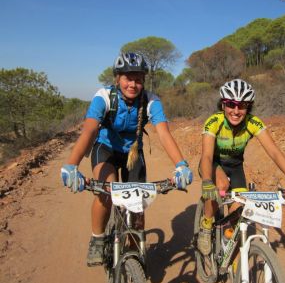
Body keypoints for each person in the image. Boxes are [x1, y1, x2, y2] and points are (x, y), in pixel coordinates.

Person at [60, 51, 193, 266]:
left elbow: (164, 133)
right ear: (117, 79)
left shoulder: (151, 101)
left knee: (137, 201)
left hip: (133, 152)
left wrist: (181, 165)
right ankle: (97, 239)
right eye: (127, 78)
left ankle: (133, 247)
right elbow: (89, 131)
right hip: (106, 148)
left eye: (138, 79)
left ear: (144, 81)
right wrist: (71, 166)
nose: (133, 84)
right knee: (106, 192)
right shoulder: (104, 96)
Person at [197, 78, 285, 255]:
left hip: (235, 166)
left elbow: (274, 152)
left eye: (242, 105)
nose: (236, 110)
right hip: (213, 163)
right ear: (223, 105)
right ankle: (206, 225)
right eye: (231, 104)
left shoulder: (253, 123)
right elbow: (207, 155)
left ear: (249, 107)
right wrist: (208, 181)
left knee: (239, 207)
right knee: (221, 186)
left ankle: (228, 237)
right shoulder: (214, 121)